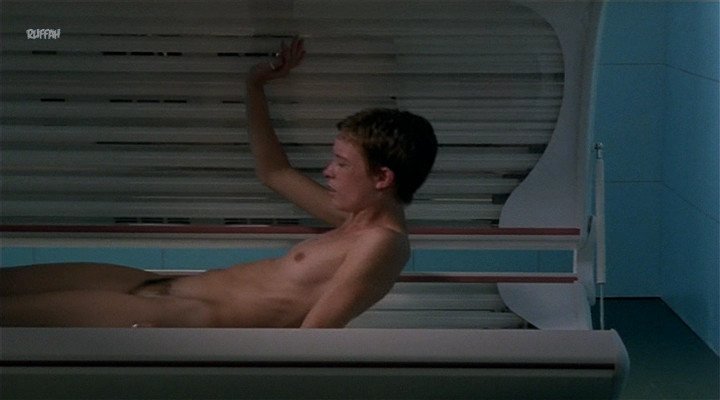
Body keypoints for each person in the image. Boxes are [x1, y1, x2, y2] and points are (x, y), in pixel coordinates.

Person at [0, 39, 437, 328]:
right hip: (153, 285)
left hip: (169, 318)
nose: (327, 171)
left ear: (382, 177)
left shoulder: (382, 244)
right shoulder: (352, 219)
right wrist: (254, 85)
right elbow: (274, 172)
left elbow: (312, 340)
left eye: (341, 163)